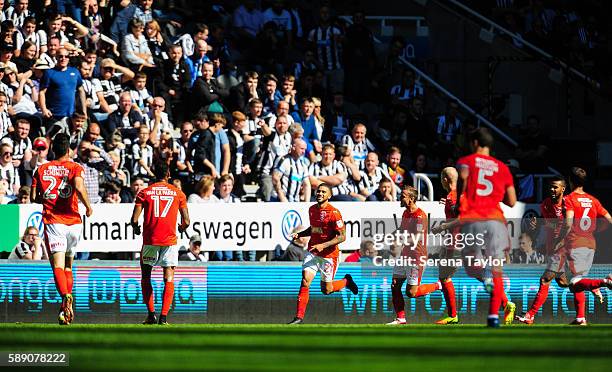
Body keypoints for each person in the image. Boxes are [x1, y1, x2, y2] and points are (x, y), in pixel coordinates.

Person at [515, 176, 602, 325]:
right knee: (566, 283)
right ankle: (587, 295)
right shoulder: (546, 204)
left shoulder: (568, 204)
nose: (552, 189)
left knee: (545, 279)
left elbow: (571, 226)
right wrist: (537, 227)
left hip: (565, 247)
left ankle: (530, 315)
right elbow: (548, 224)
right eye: (550, 187)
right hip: (554, 247)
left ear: (563, 189)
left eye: (555, 187)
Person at [455, 127, 517, 328]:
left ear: (474, 143)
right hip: (496, 221)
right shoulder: (503, 167)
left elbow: (463, 177)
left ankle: (486, 280)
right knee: (496, 269)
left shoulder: (466, 161)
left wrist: (459, 200)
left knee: (470, 265)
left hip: (473, 218)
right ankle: (493, 317)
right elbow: (512, 201)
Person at [30, 133, 93, 325]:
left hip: (54, 222)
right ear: (68, 150)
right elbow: (80, 188)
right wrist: (88, 206)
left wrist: (47, 198)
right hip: (74, 222)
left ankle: (66, 296)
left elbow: (33, 197)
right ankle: (66, 307)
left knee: (57, 266)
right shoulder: (75, 167)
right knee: (68, 265)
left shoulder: (41, 169)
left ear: (52, 150)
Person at [288, 183, 358, 324]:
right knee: (305, 280)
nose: (320, 193)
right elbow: (315, 229)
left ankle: (346, 281)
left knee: (327, 290)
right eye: (318, 191)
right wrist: (300, 234)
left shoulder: (334, 213)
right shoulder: (312, 209)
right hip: (313, 251)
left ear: (329, 196)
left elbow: (342, 236)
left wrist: (323, 245)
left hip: (329, 255)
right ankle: (299, 317)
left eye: (323, 192)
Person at [551, 168, 612, 325]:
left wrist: (559, 238)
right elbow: (609, 218)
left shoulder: (570, 198)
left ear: (570, 181)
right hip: (590, 244)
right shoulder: (593, 200)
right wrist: (597, 230)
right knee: (578, 280)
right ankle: (580, 318)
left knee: (574, 283)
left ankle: (605, 282)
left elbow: (569, 222)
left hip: (575, 243)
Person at [131, 161, 189, 326]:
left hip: (150, 240)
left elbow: (134, 219)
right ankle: (163, 318)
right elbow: (187, 221)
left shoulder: (145, 193)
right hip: (169, 240)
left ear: (154, 174)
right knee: (168, 277)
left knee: (146, 276)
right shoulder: (178, 193)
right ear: (168, 175)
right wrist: (181, 227)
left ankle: (151, 315)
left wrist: (136, 228)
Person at [387, 186, 442, 325]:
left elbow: (417, 237)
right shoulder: (406, 213)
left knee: (411, 293)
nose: (400, 197)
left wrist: (401, 240)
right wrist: (394, 234)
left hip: (416, 257)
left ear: (411, 198)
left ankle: (438, 285)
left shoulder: (420, 216)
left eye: (403, 195)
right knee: (394, 284)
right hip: (405, 254)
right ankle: (400, 318)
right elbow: (402, 229)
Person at [430, 167, 460, 325]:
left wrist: (442, 227)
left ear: (445, 179)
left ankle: (504, 302)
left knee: (445, 276)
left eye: (441, 178)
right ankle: (452, 315)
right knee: (445, 276)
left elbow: (462, 218)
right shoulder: (451, 196)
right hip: (454, 240)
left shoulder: (454, 196)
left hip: (456, 242)